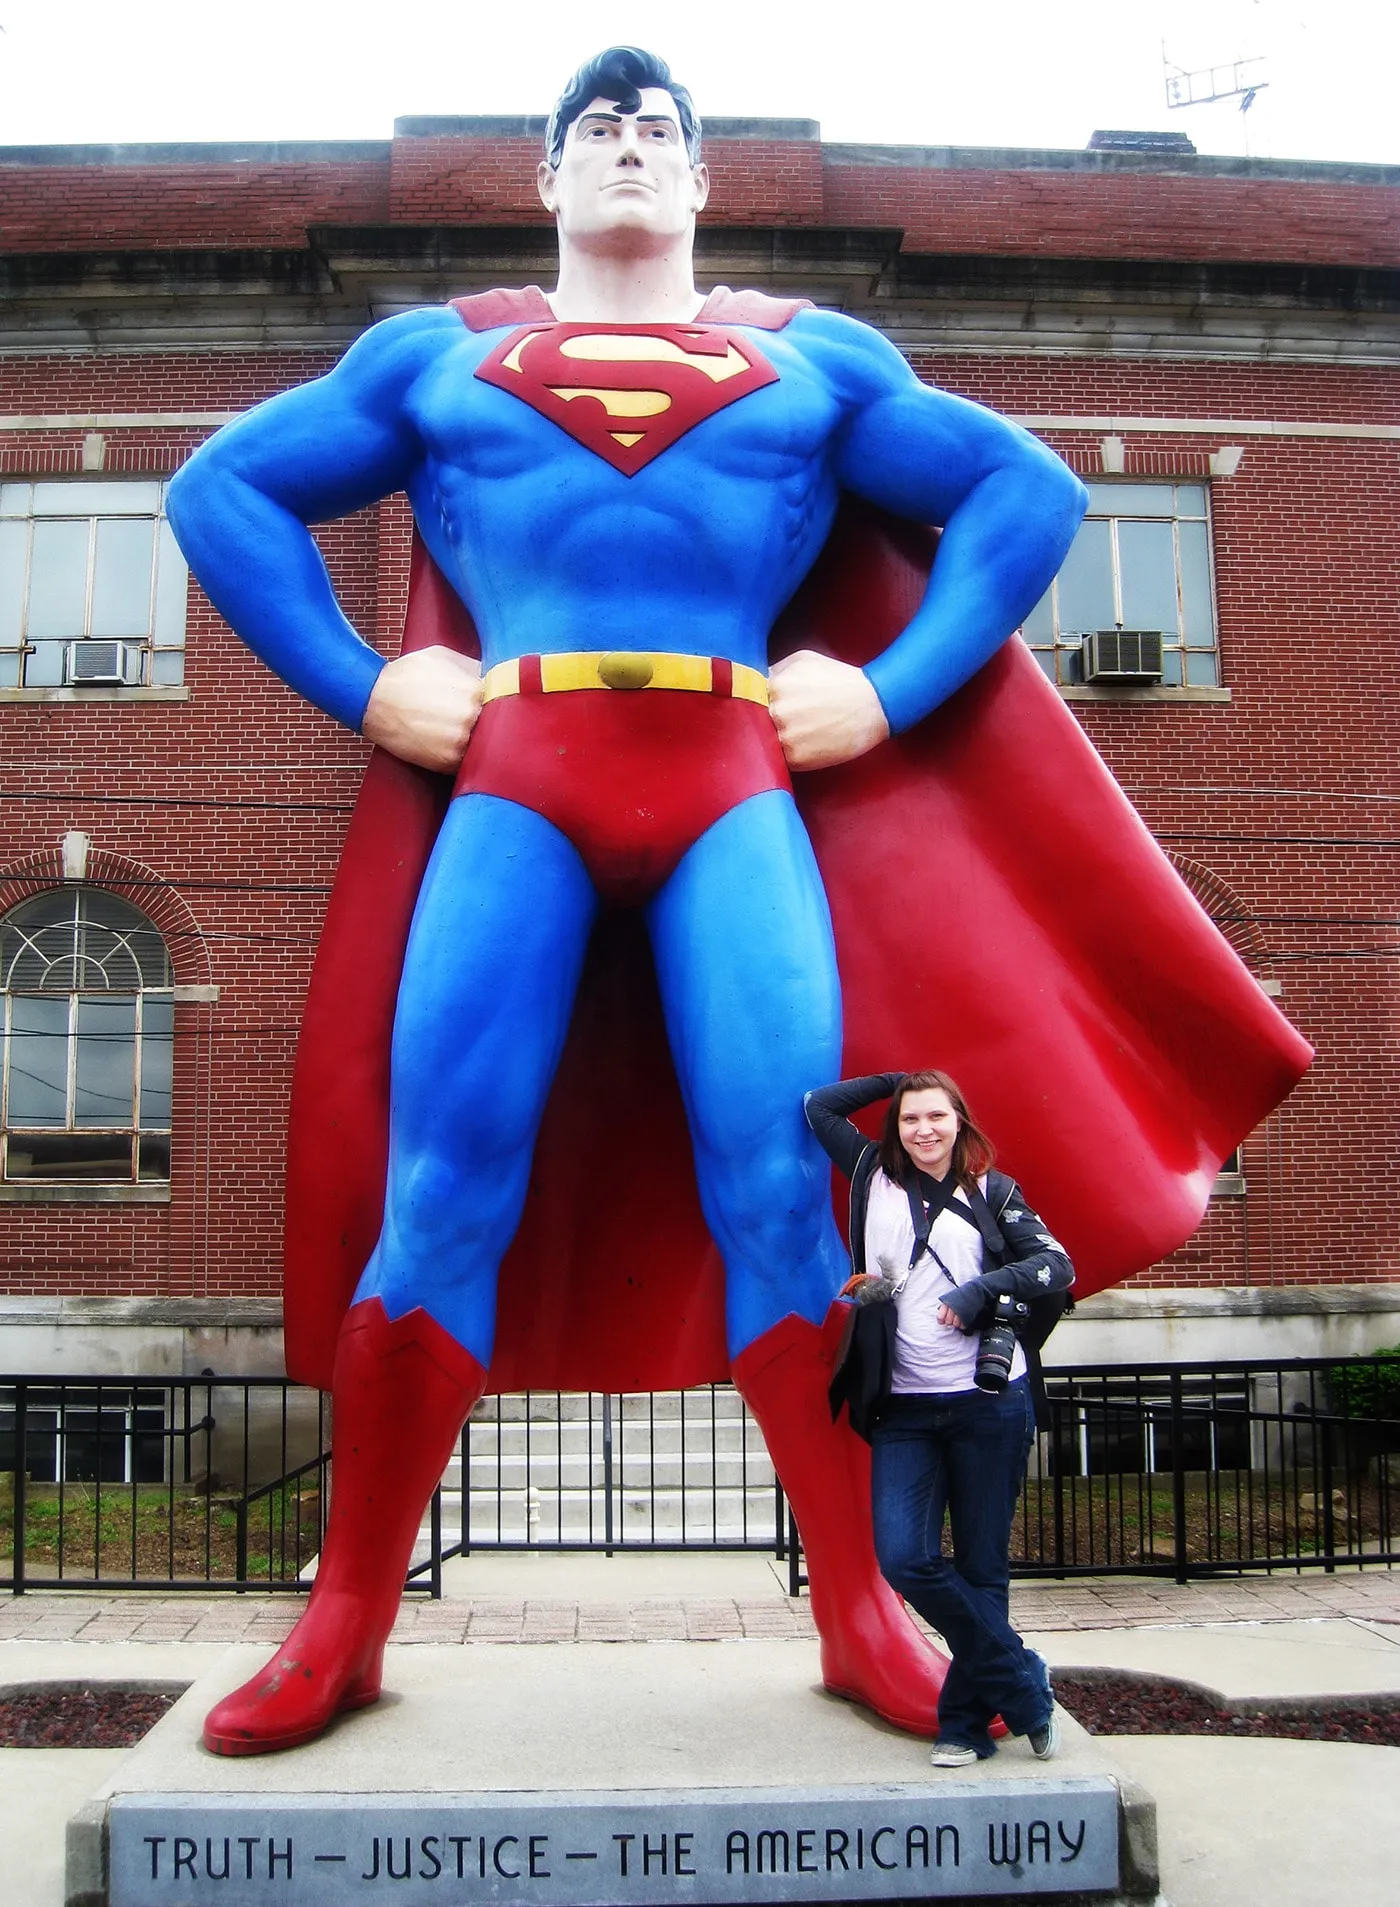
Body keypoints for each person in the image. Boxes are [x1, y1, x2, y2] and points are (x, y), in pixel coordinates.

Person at [167, 46, 1088, 1755]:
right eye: (596, 129)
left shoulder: (810, 357)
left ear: (702, 181)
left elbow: (1028, 494)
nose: (629, 147)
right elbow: (219, 490)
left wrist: (887, 690)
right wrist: (366, 684)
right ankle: (348, 1616)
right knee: (438, 1183)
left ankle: (860, 1609)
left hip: (735, 787)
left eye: (660, 129)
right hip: (520, 782)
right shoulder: (436, 355)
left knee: (783, 1188)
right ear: (544, 178)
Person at [805, 1069, 1073, 1765]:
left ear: (961, 1120)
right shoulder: (871, 1172)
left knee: (983, 1567)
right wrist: (902, 1075)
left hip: (989, 1403)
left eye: (937, 1115)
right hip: (904, 1406)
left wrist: (986, 1286)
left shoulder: (994, 1191)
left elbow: (1056, 1264)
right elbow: (818, 1106)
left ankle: (961, 1722)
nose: (923, 1129)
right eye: (909, 1117)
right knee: (905, 1558)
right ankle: (1024, 1680)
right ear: (895, 1127)